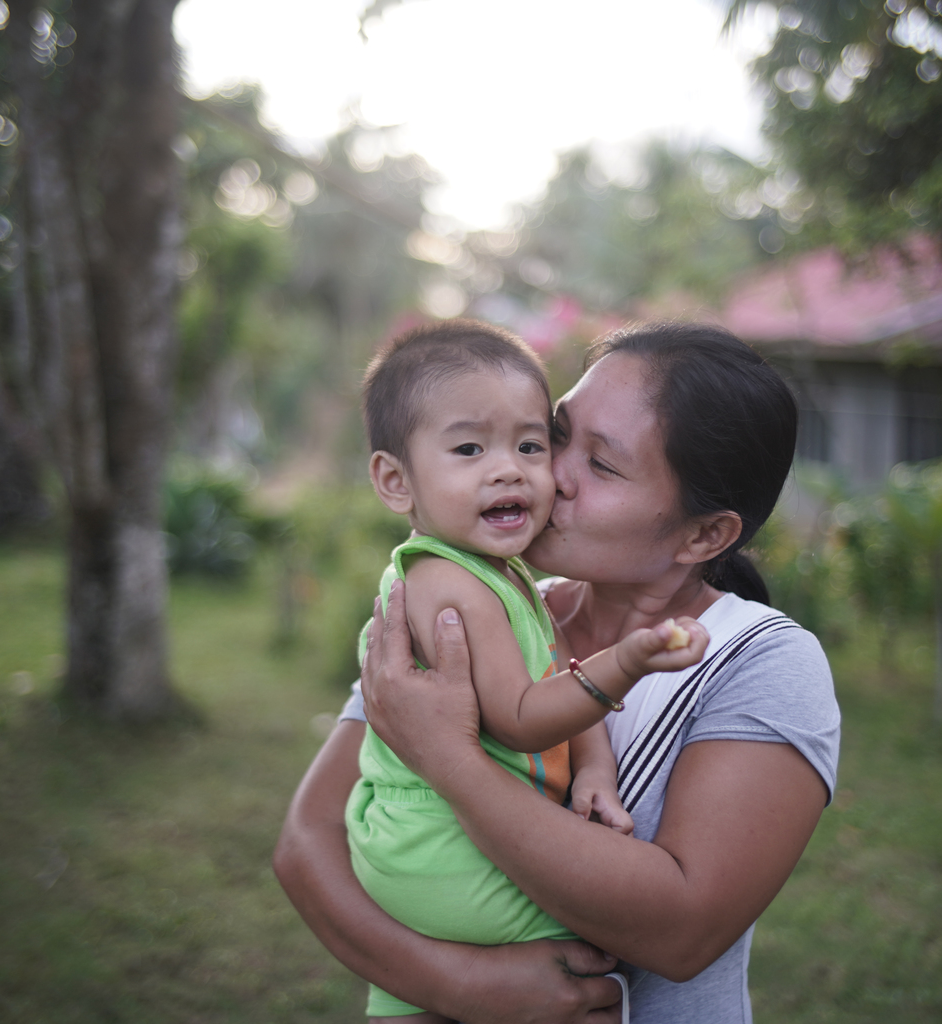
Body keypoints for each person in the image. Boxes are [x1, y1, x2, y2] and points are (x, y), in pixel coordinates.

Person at [275, 321, 841, 1023]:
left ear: (704, 535)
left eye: (601, 466)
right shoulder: (479, 608)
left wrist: (450, 760)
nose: (540, 473)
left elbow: (683, 928)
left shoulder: (760, 662)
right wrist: (455, 984)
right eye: (559, 433)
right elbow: (307, 841)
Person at [349, 320, 709, 1021]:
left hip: (433, 836)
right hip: (436, 842)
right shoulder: (449, 588)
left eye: (530, 445)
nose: (509, 468)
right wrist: (626, 662)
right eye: (468, 448)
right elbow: (520, 718)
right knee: (593, 944)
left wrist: (596, 774)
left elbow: (552, 679)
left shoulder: (499, 574)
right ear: (396, 481)